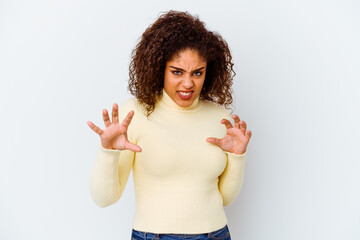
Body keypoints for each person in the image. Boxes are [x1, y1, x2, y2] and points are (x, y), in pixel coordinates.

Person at [87, 10, 252, 240]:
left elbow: (224, 199)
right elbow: (104, 199)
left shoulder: (219, 117)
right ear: (159, 68)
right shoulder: (134, 114)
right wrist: (108, 151)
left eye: (197, 73)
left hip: (216, 234)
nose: (188, 83)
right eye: (177, 72)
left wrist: (237, 157)